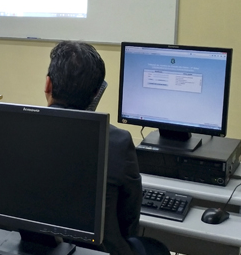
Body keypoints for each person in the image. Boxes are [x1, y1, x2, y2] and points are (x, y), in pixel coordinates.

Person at [45, 41, 168, 255]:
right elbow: (129, 218)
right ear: (96, 95)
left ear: (48, 85)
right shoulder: (117, 141)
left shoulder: (20, 132)